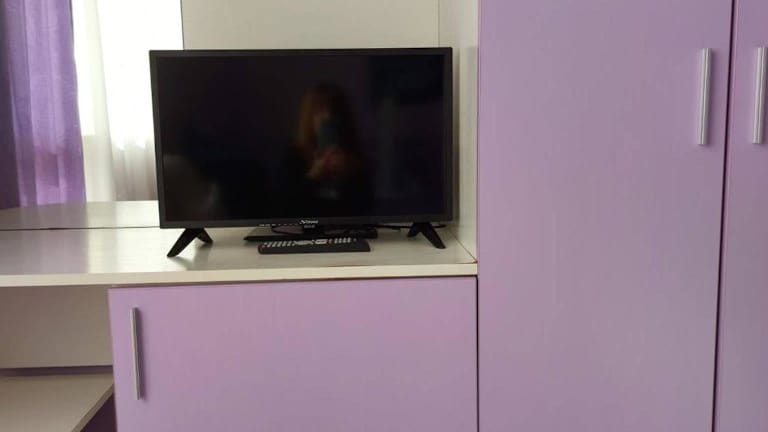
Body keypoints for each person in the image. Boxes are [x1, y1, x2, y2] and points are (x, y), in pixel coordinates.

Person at [281, 83, 372, 215]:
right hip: (307, 226)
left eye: (335, 112)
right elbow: (285, 209)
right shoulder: (294, 155)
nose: (328, 117)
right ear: (309, 117)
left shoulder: (354, 156)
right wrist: (314, 176)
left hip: (345, 225)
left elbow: (367, 209)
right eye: (320, 112)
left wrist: (351, 174)